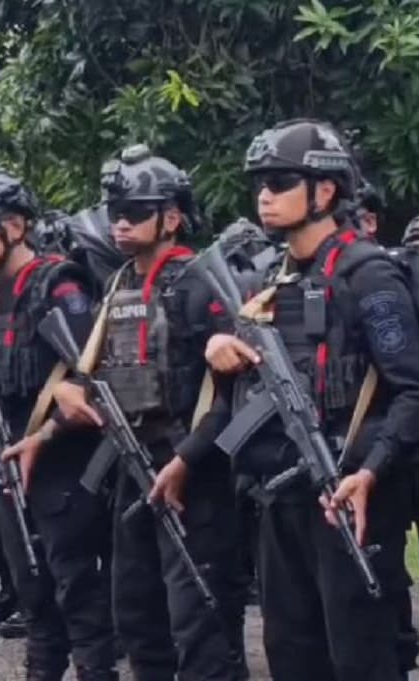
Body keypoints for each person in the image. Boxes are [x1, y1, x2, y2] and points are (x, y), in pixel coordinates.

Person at [202, 119, 419, 680]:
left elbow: (412, 392)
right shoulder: (277, 280)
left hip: (352, 498)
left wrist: (370, 472)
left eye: (279, 181)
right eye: (261, 184)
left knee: (361, 659)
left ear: (325, 192)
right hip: (283, 499)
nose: (264, 196)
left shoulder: (370, 276)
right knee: (292, 654)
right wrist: (223, 348)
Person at [51, 145, 244, 680]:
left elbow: (238, 393)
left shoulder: (199, 282)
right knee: (135, 611)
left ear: (172, 217)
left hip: (191, 468)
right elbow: (91, 370)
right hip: (132, 464)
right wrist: (70, 394)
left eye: (135, 212)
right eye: (115, 213)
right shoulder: (120, 285)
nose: (121, 224)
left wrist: (186, 460)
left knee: (198, 618)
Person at [0, 170, 117, 681]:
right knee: (31, 588)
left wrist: (46, 434)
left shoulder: (58, 283)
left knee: (76, 587)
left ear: (16, 226)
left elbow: (92, 379)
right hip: (10, 457)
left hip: (61, 460)